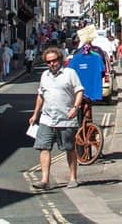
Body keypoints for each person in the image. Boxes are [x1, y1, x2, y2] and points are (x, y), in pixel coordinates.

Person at [29, 47, 83, 190]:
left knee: (69, 148)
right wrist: (35, 114)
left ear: (60, 60)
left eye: (54, 61)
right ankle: (45, 180)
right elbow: (41, 96)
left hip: (66, 118)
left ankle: (73, 178)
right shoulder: (44, 76)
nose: (52, 64)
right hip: (47, 119)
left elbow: (79, 91)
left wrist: (75, 108)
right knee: (43, 147)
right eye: (48, 62)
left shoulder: (70, 73)